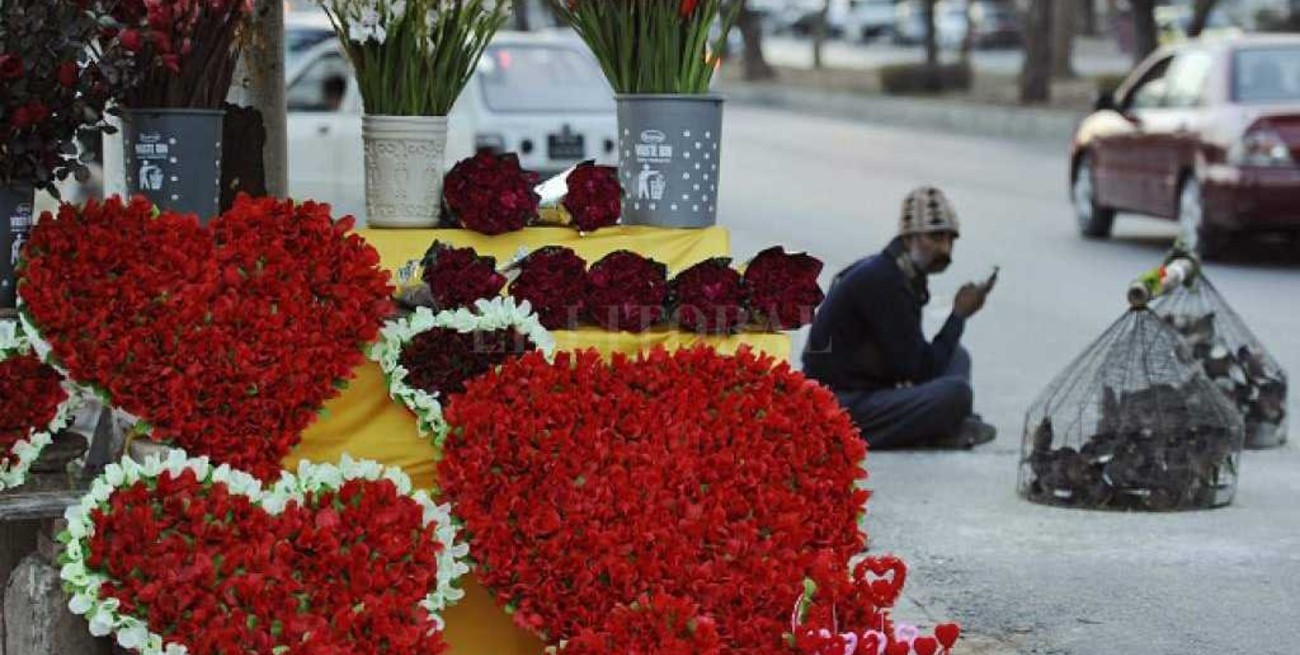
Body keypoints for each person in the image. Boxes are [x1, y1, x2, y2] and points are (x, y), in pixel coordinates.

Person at [802, 186, 998, 449]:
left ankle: (939, 424)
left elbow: (912, 363)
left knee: (957, 356)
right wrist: (958, 316)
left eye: (950, 240)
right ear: (910, 238)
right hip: (838, 402)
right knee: (956, 394)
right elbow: (917, 370)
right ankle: (935, 428)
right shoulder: (886, 280)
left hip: (868, 388)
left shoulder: (897, 271)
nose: (945, 250)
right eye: (936, 238)